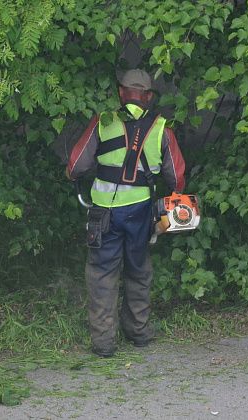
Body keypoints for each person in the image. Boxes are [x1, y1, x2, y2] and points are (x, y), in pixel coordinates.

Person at [66, 69, 186, 357]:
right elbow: (177, 177)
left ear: (121, 92)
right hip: (140, 213)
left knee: (102, 273)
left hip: (104, 214)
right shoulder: (161, 129)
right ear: (148, 97)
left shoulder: (102, 121)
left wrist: (75, 175)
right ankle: (139, 331)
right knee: (138, 269)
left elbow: (76, 165)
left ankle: (105, 342)